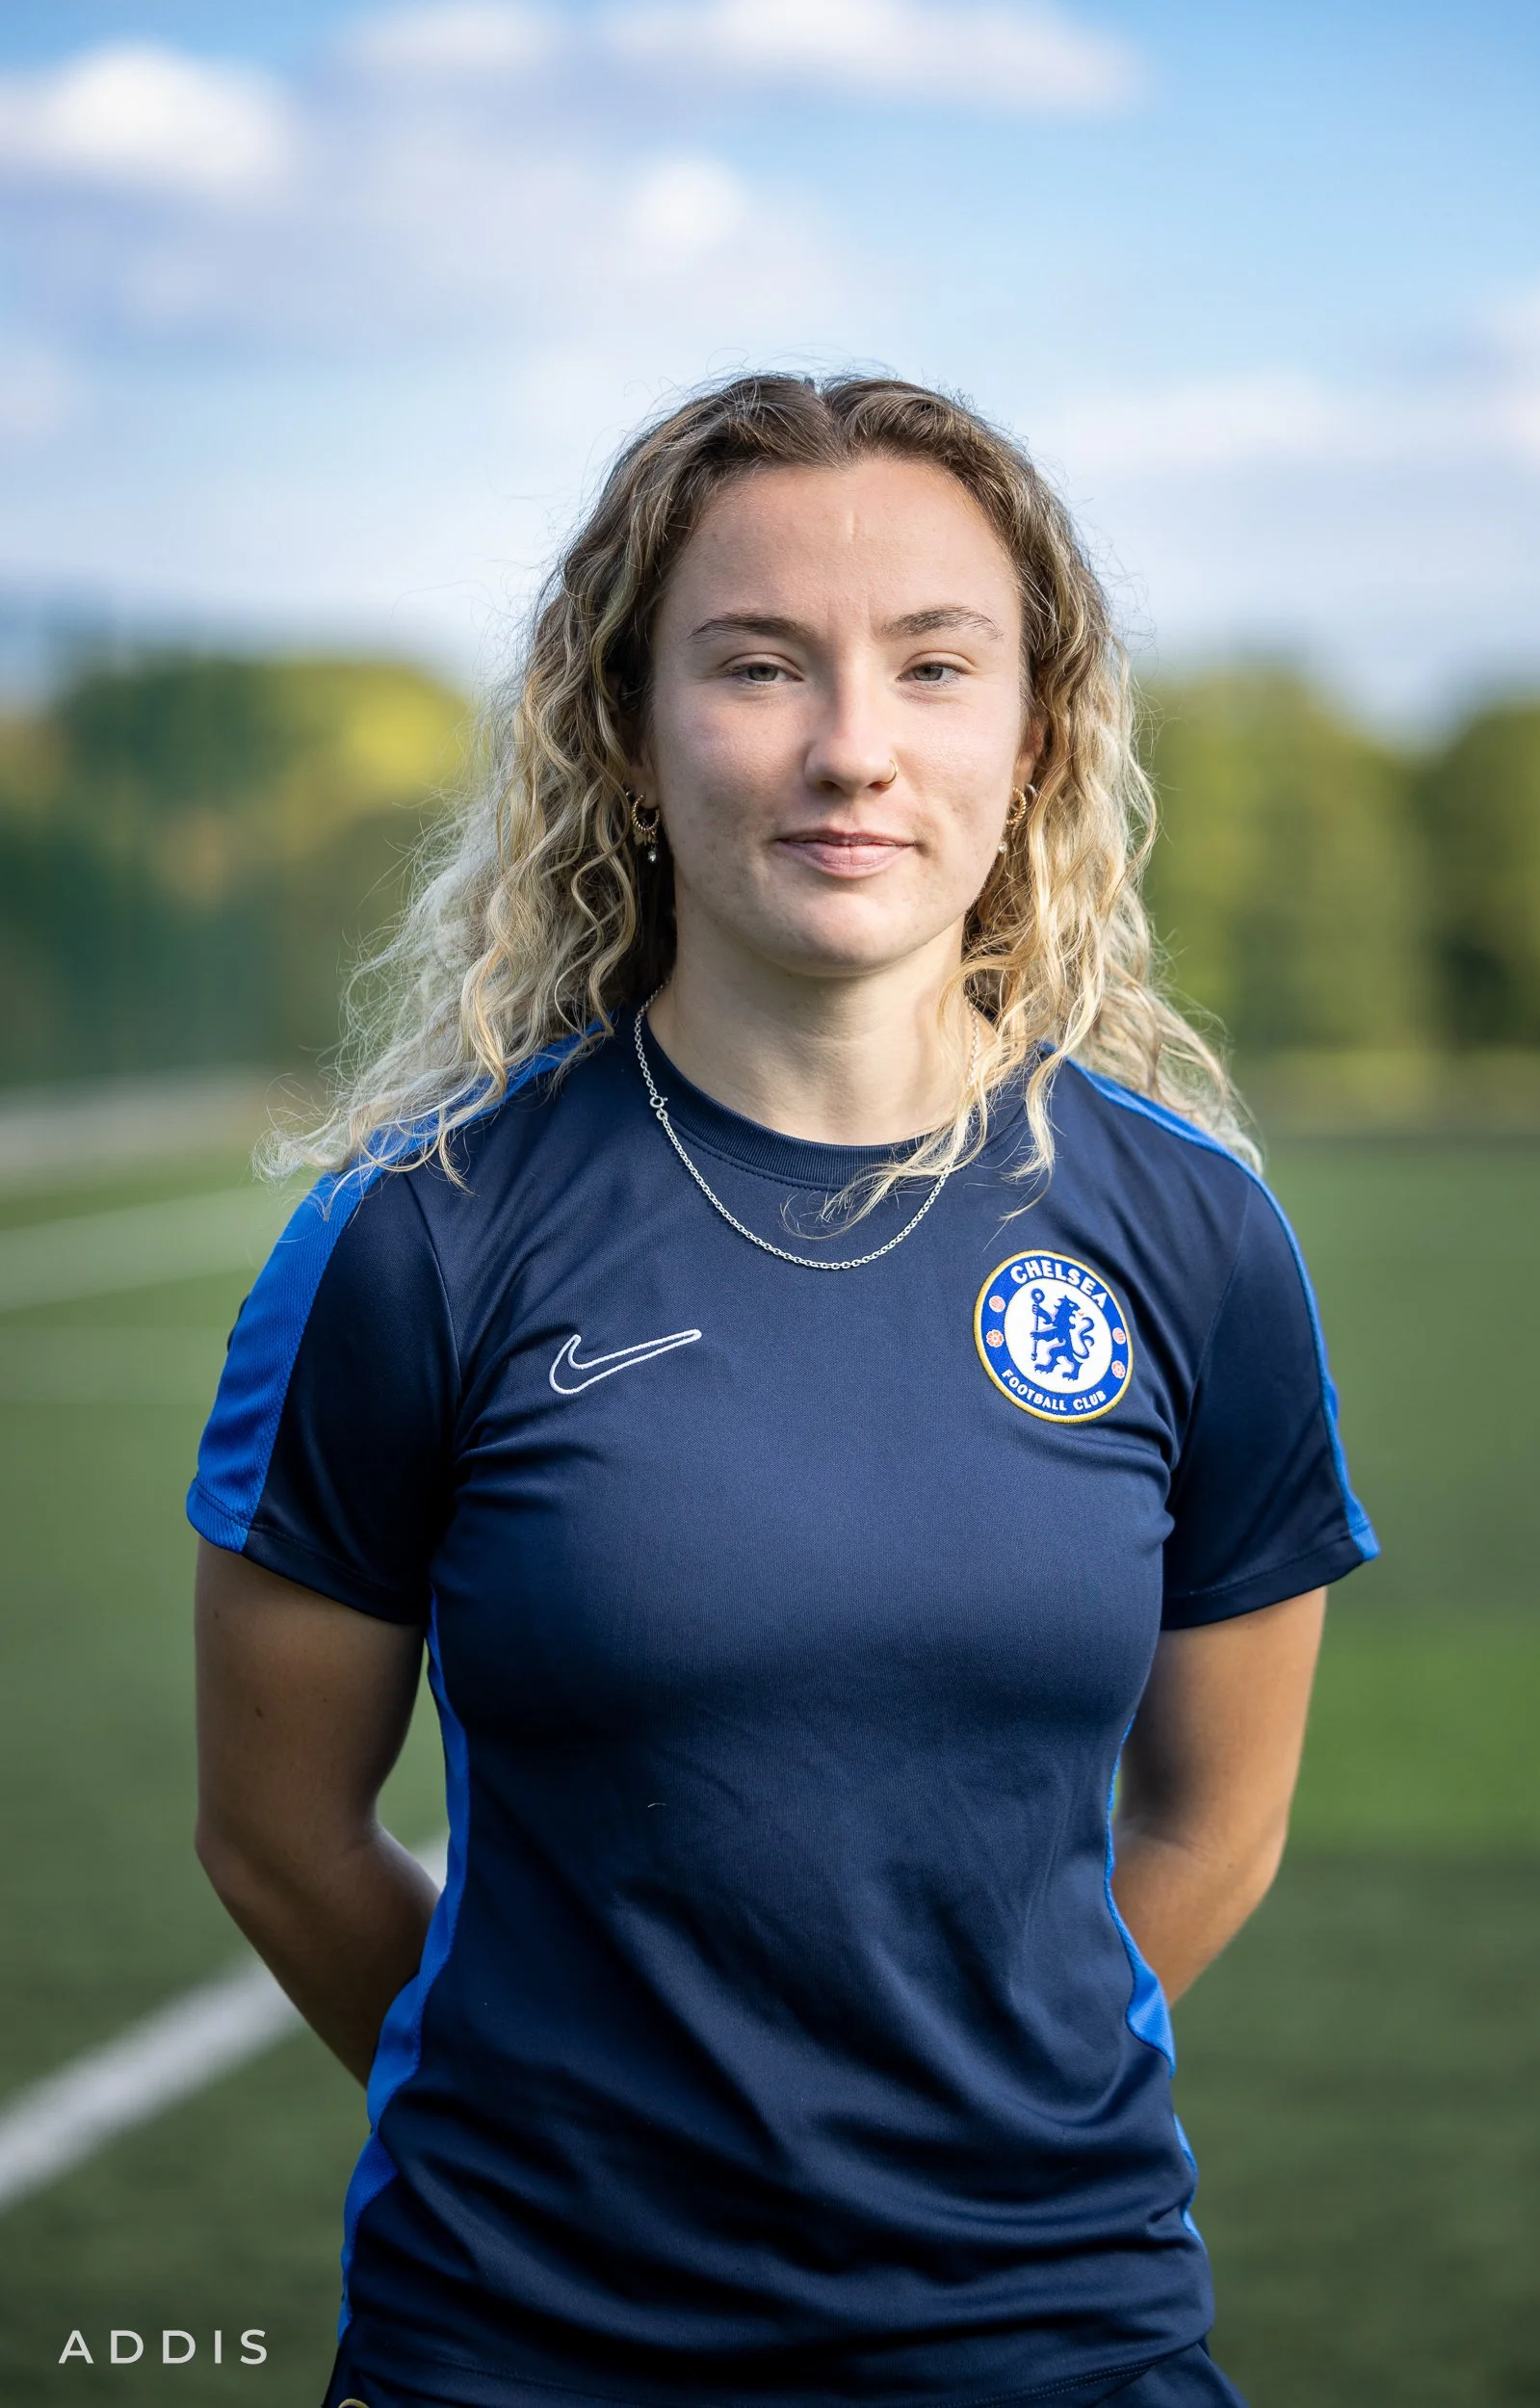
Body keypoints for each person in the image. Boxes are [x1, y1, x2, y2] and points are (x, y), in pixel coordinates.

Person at [190, 374, 1376, 2408]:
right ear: (630, 738)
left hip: (1056, 2342)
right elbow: (280, 1836)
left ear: (1033, 736)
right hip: (518, 2347)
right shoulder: (416, 1241)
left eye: (933, 666)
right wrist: (592, 2158)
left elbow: (1214, 1820)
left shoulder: (1194, 1238)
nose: (851, 748)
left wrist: (962, 2139)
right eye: (755, 665)